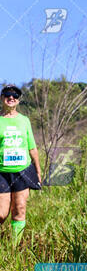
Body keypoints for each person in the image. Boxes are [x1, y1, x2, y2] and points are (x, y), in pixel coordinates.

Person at [0, 84, 41, 246]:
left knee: (19, 210)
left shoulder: (24, 121)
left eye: (15, 95)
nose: (11, 97)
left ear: (18, 100)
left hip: (22, 172)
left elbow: (32, 147)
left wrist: (38, 171)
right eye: (7, 94)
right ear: (2, 97)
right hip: (2, 173)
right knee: (1, 214)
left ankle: (13, 249)